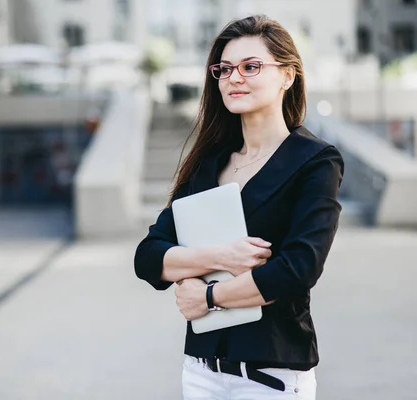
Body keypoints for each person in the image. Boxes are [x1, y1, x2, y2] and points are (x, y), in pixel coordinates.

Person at [134, 15, 344, 400]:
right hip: (200, 372)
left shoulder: (315, 161)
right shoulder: (208, 162)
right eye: (224, 69)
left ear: (287, 75)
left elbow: (298, 270)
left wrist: (208, 297)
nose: (234, 78)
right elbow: (149, 256)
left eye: (251, 67)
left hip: (272, 376)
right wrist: (220, 256)